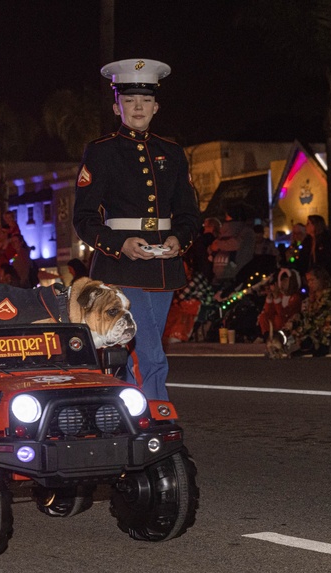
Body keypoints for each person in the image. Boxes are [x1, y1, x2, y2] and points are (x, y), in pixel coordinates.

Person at [72, 58, 199, 400]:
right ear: (117, 106)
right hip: (121, 266)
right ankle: (156, 419)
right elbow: (83, 218)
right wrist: (120, 244)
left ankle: (130, 416)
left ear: (156, 106)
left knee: (141, 350)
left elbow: (189, 213)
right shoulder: (100, 152)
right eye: (129, 100)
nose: (138, 107)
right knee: (148, 354)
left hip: (164, 266)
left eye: (145, 100)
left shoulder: (171, 152)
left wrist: (179, 239)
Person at [285, 266, 331, 357]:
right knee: (297, 319)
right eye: (308, 281)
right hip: (315, 325)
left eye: (312, 280)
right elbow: (308, 313)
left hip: (329, 326)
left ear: (321, 279)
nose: (310, 284)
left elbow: (321, 314)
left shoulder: (330, 294)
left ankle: (323, 345)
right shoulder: (314, 294)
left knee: (323, 323)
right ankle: (307, 345)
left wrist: (301, 325)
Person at [299, 214, 331, 279]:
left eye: (308, 224)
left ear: (315, 225)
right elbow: (304, 258)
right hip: (310, 274)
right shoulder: (307, 241)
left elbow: (327, 257)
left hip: (324, 274)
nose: (306, 226)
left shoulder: (326, 239)